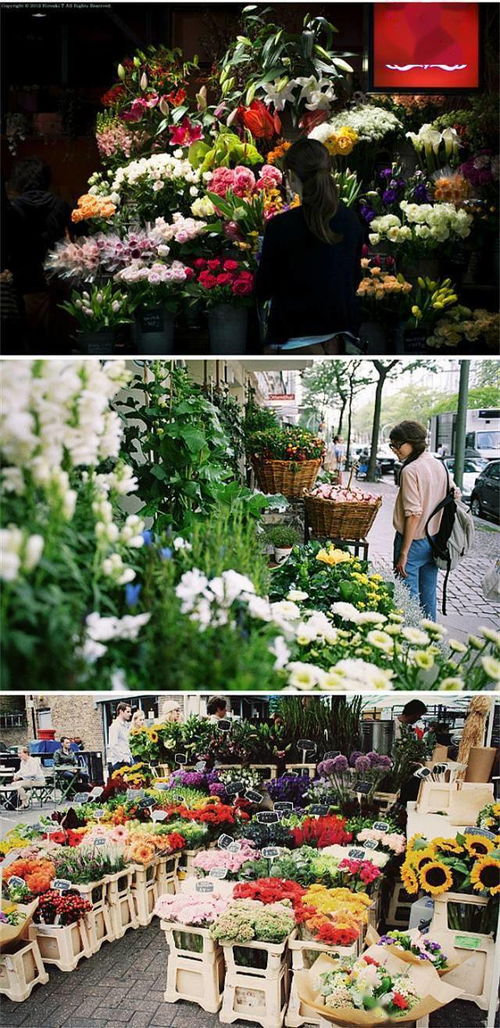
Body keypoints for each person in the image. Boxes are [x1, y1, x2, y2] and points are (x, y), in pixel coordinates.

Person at [255, 138, 363, 352]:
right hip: (340, 339)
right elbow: (354, 277)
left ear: (292, 177)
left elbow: (264, 288)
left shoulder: (281, 226)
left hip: (293, 340)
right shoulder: (351, 220)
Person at [390, 420, 457, 620]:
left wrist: (404, 552)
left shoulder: (410, 470)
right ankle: (431, 643)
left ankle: (410, 644)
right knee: (428, 596)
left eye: (398, 444)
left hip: (412, 541)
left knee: (407, 599)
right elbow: (456, 493)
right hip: (435, 540)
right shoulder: (439, 465)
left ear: (412, 442)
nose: (394, 450)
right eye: (392, 445)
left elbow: (413, 514)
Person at [7, 157, 71, 348]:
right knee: (55, 337)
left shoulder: (13, 208)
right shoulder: (60, 205)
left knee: (27, 338)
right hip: (55, 280)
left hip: (21, 281)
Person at [107, 701, 132, 772]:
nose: (130, 714)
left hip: (126, 760)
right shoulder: (115, 726)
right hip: (119, 762)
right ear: (121, 711)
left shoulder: (125, 725)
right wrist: (123, 758)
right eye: (128, 712)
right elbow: (113, 745)